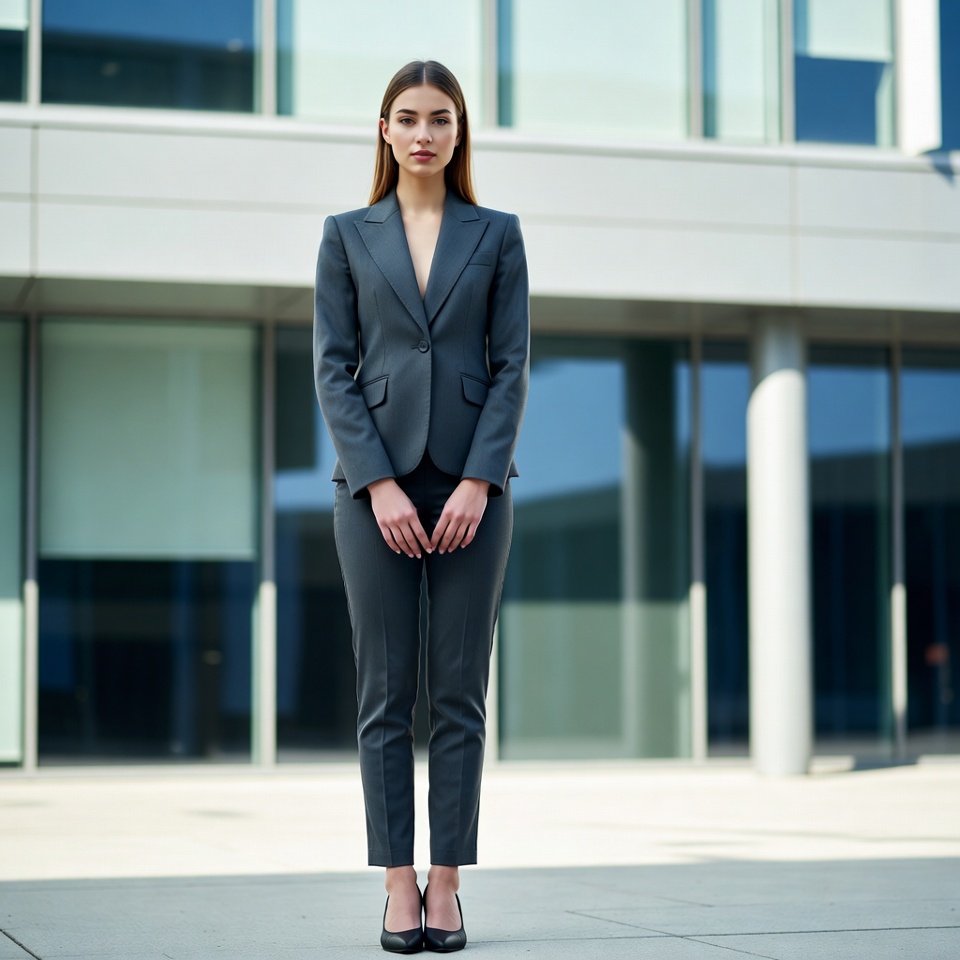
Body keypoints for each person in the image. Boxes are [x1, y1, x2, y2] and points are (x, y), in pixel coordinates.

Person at [313, 60, 529, 953]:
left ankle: (448, 886)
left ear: (459, 132)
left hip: (476, 487)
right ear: (385, 130)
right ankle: (397, 883)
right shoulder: (345, 234)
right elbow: (334, 366)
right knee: (384, 694)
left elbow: (512, 365)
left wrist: (480, 479)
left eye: (441, 119)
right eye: (408, 118)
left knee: (458, 695)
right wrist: (380, 483)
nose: (424, 133)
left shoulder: (499, 233)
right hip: (375, 491)